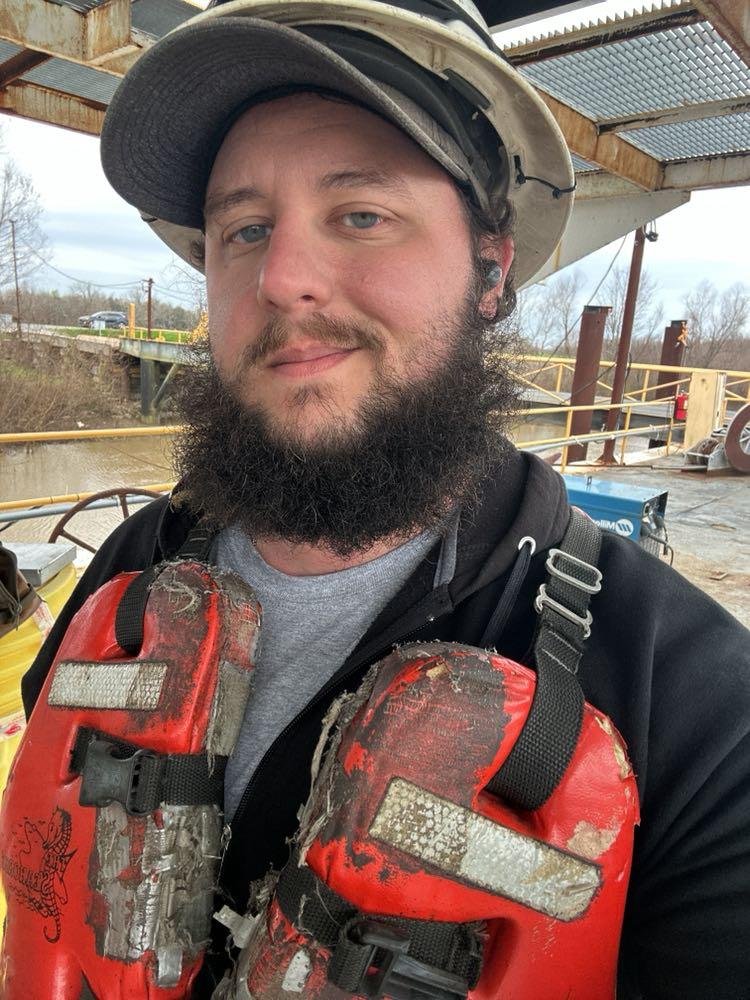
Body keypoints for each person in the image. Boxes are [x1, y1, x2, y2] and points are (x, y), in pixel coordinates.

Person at [19, 1, 750, 996]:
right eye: (243, 228)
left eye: (360, 214)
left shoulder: (699, 710)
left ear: (490, 272)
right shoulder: (131, 586)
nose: (283, 277)